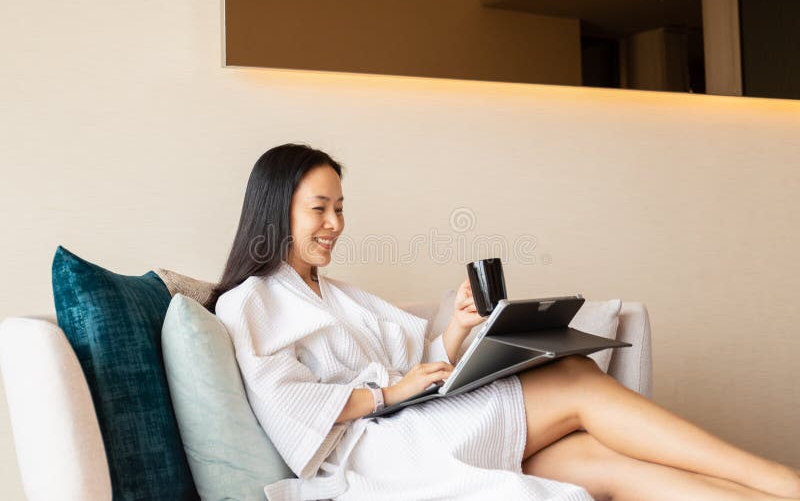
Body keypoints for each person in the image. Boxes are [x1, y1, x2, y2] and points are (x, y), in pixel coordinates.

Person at [209, 143, 800, 501]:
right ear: (276, 206)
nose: (335, 223)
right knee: (574, 380)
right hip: (378, 450)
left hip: (414, 421)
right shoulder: (251, 300)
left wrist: (461, 328)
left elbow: (418, 359)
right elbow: (286, 405)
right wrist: (388, 392)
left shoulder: (334, 292)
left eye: (340, 208)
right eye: (320, 208)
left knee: (599, 463)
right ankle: (782, 479)